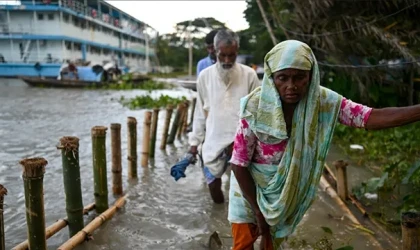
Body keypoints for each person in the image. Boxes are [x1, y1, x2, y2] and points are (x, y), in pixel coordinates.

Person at [227, 40, 420, 250]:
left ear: (311, 75)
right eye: (283, 78)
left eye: (300, 77)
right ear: (272, 78)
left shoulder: (321, 100)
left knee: (271, 245)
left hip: (284, 195)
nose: (291, 86)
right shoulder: (255, 107)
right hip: (248, 191)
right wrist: (258, 212)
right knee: (243, 244)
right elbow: (238, 163)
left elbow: (368, 117)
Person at [188, 29, 260, 204]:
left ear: (237, 51)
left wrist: (247, 140)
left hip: (242, 142)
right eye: (223, 56)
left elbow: (258, 112)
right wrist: (194, 144)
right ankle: (218, 216)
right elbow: (200, 112)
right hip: (214, 139)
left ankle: (240, 222)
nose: (227, 60)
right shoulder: (205, 77)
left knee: (245, 191)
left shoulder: (249, 75)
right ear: (214, 50)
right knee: (213, 186)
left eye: (232, 55)